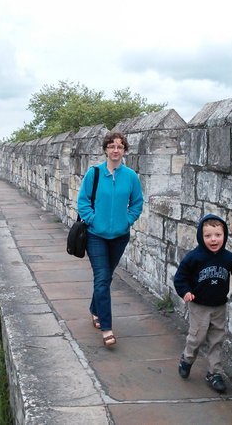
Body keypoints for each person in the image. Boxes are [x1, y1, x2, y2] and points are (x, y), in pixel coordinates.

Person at [77, 132, 143, 347]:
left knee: (105, 278)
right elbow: (83, 200)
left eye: (120, 146)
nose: (116, 150)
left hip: (119, 236)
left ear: (125, 150)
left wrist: (128, 221)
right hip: (96, 235)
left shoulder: (130, 176)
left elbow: (137, 203)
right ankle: (107, 327)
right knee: (103, 277)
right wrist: (92, 220)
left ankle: (95, 309)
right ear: (105, 149)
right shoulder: (94, 173)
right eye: (112, 146)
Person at [173, 213, 232, 392]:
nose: (213, 239)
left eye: (218, 235)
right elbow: (180, 277)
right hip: (199, 305)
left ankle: (214, 373)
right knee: (197, 338)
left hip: (219, 306)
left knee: (217, 340)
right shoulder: (194, 257)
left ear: (224, 236)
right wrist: (185, 292)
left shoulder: (228, 258)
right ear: (201, 236)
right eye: (208, 236)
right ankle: (187, 358)